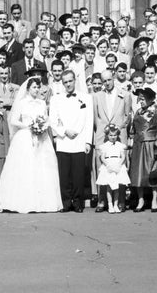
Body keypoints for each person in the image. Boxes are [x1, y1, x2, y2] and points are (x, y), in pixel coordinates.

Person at [0, 77, 62, 213]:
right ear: (28, 88)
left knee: (42, 166)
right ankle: (22, 201)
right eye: (34, 87)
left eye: (38, 87)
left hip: (41, 137)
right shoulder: (22, 103)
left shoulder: (42, 103)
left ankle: (43, 203)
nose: (36, 90)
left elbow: (46, 118)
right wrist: (29, 126)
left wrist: (42, 126)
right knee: (25, 166)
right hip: (25, 136)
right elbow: (13, 120)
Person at [50, 70, 93, 213]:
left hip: (79, 141)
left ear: (75, 80)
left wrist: (88, 141)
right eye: (65, 82)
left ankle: (78, 203)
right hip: (63, 141)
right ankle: (66, 202)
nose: (68, 84)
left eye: (70, 81)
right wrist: (64, 131)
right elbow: (53, 120)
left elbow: (89, 120)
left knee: (78, 174)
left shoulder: (86, 98)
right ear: (62, 84)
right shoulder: (56, 99)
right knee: (64, 174)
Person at [92, 70, 132, 212]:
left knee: (119, 169)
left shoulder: (125, 94)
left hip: (119, 136)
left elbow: (128, 116)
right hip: (102, 137)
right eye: (104, 81)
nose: (107, 83)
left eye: (109, 80)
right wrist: (103, 131)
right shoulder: (96, 96)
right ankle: (102, 200)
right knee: (102, 169)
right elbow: (96, 118)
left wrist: (119, 128)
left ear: (113, 78)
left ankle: (120, 201)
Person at [129, 88, 157, 212]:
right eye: (140, 99)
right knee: (138, 172)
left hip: (151, 143)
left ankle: (154, 199)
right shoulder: (138, 111)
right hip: (138, 144)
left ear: (150, 99)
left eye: (143, 99)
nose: (141, 101)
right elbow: (133, 128)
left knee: (152, 172)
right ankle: (141, 199)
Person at [95, 124, 130, 214]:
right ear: (107, 135)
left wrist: (119, 164)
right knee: (109, 187)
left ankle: (116, 205)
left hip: (118, 165)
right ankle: (110, 205)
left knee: (117, 187)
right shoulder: (105, 146)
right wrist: (107, 165)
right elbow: (102, 157)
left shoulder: (120, 145)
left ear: (117, 135)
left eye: (115, 135)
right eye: (111, 135)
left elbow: (123, 156)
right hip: (108, 165)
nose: (113, 137)